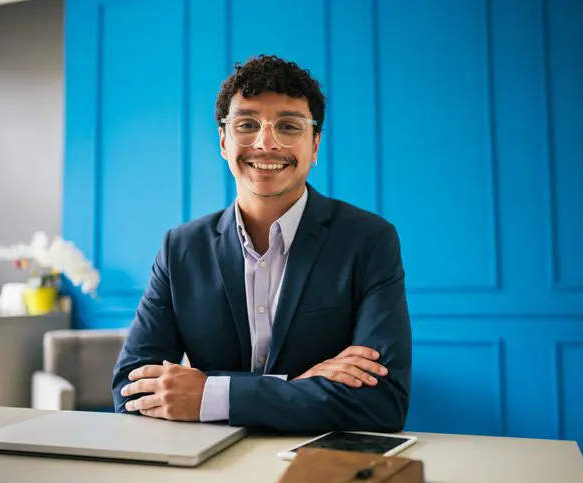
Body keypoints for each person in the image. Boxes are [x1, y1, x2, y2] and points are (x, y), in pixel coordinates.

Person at [112, 54, 412, 433]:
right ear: (223, 140)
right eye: (247, 124)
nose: (266, 143)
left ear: (315, 144)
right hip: (205, 465)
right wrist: (296, 385)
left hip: (315, 465)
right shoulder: (180, 249)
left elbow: (383, 403)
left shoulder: (369, 240)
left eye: (288, 126)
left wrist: (209, 392)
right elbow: (130, 391)